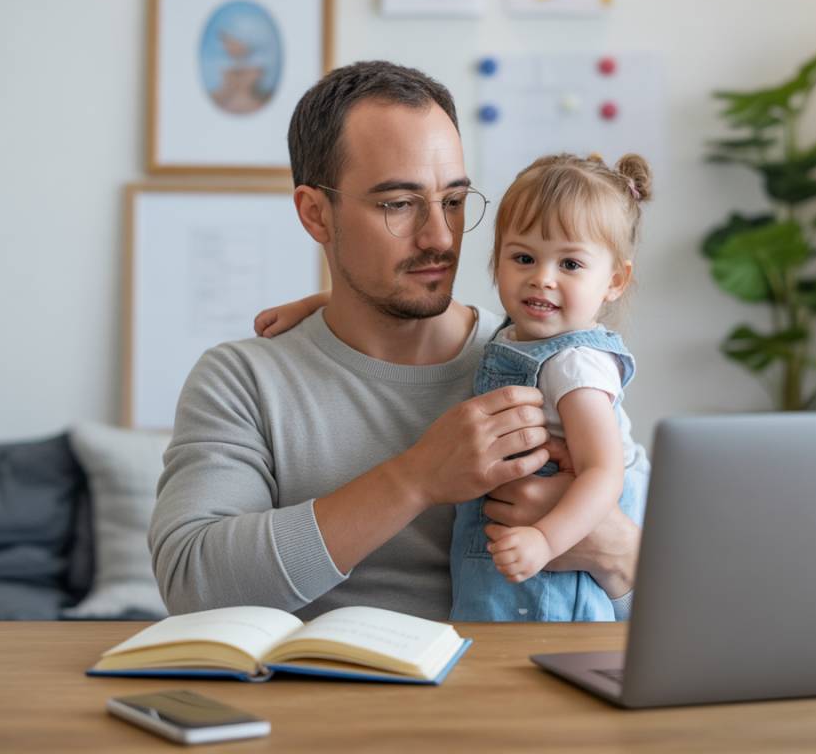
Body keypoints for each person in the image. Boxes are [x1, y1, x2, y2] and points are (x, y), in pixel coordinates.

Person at [149, 60, 640, 623]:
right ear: (316, 214)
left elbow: (668, 611)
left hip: (516, 678)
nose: (439, 237)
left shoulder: (549, 361)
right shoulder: (244, 379)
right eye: (398, 204)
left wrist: (611, 552)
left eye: (453, 201)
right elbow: (191, 586)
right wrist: (414, 479)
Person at [257, 153, 651, 621]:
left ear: (615, 280)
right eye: (523, 258)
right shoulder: (516, 337)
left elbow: (603, 472)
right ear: (497, 261)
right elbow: (381, 302)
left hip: (550, 589)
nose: (542, 279)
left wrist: (545, 540)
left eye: (570, 263)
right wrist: (315, 305)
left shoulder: (575, 366)